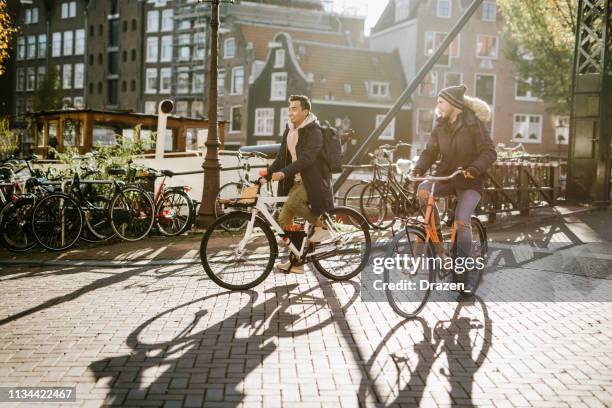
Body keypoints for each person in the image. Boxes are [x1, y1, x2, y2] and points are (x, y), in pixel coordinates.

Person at [411, 84, 497, 292]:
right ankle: (439, 244)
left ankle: (464, 273)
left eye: (441, 102)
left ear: (453, 104)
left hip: (470, 181)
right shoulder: (440, 126)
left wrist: (475, 168)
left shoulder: (474, 124)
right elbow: (430, 151)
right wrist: (419, 168)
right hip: (447, 177)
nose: (437, 105)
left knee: (461, 220)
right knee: (423, 189)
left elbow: (489, 152)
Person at [259, 95, 335, 274]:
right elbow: (281, 158)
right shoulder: (290, 130)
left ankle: (320, 227)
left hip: (314, 182)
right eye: (289, 108)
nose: (290, 112)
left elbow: (307, 159)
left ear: (305, 111)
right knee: (284, 220)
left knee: (293, 202)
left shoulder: (314, 132)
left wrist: (284, 173)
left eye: (294, 109)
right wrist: (268, 175)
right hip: (297, 181)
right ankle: (298, 262)